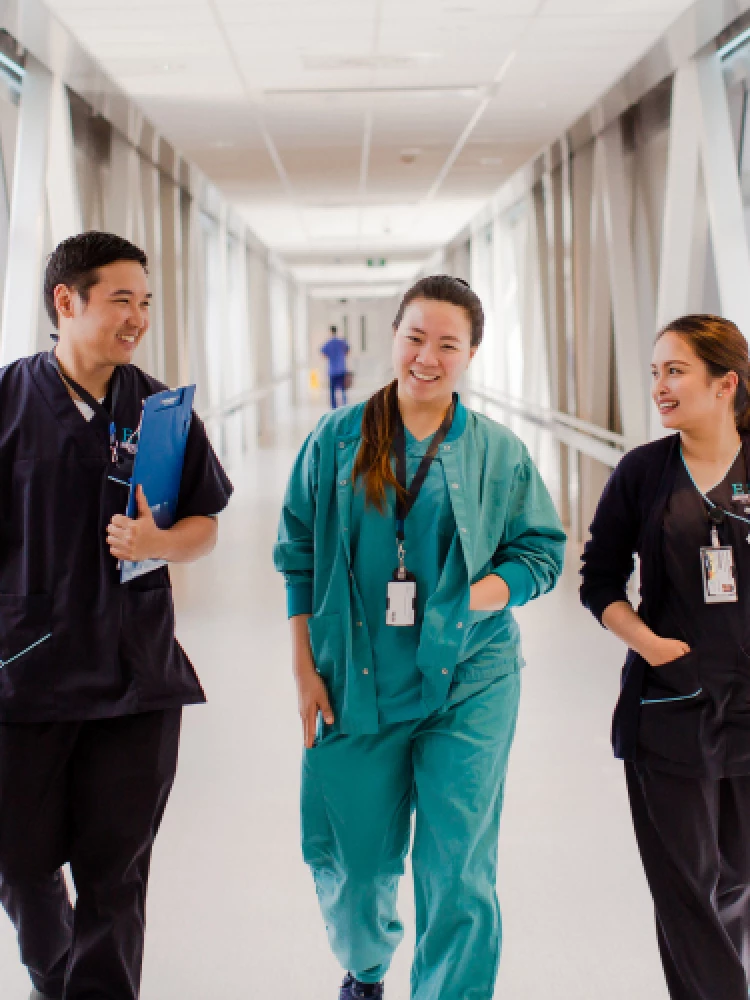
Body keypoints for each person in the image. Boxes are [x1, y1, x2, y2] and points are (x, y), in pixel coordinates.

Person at [274, 275, 566, 1000]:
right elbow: (298, 553)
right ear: (393, 337)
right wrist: (304, 671)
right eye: (415, 338)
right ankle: (365, 969)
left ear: (470, 354)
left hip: (471, 679)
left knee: (458, 867)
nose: (427, 358)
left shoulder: (497, 452)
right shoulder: (336, 439)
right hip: (353, 683)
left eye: (448, 344)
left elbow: (541, 553)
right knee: (353, 860)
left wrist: (471, 599)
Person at [0, 231, 233, 1000]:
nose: (137, 318)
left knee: (116, 874)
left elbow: (205, 524)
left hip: (136, 675)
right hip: (23, 676)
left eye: (145, 303)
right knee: (19, 858)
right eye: (121, 300)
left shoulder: (161, 411)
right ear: (67, 302)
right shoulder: (7, 402)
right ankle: (54, 971)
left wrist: (161, 541)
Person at [580, 314, 750, 1000]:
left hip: (748, 704)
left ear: (725, 383)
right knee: (686, 889)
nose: (659, 386)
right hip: (669, 703)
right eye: (654, 372)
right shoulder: (643, 472)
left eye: (675, 371)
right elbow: (598, 579)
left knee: (735, 881)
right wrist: (645, 642)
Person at [320, 324, 350, 409]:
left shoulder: (328, 343)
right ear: (336, 331)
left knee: (332, 391)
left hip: (332, 370)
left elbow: (323, 354)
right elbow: (347, 351)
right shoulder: (342, 342)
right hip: (341, 369)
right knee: (343, 390)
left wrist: (331, 356)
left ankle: (334, 408)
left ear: (330, 332)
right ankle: (345, 406)